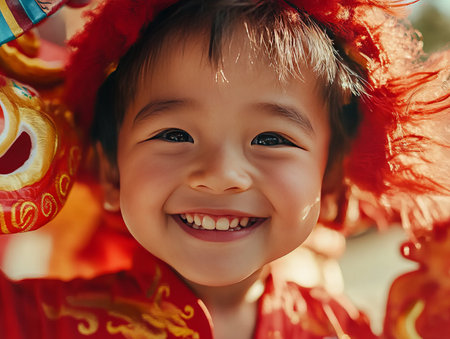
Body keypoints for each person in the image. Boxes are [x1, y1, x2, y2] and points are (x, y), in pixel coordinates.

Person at [1, 0, 449, 338]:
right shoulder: (36, 321)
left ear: (331, 180)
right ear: (113, 172)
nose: (220, 174)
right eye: (174, 135)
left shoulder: (341, 330)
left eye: (272, 139)